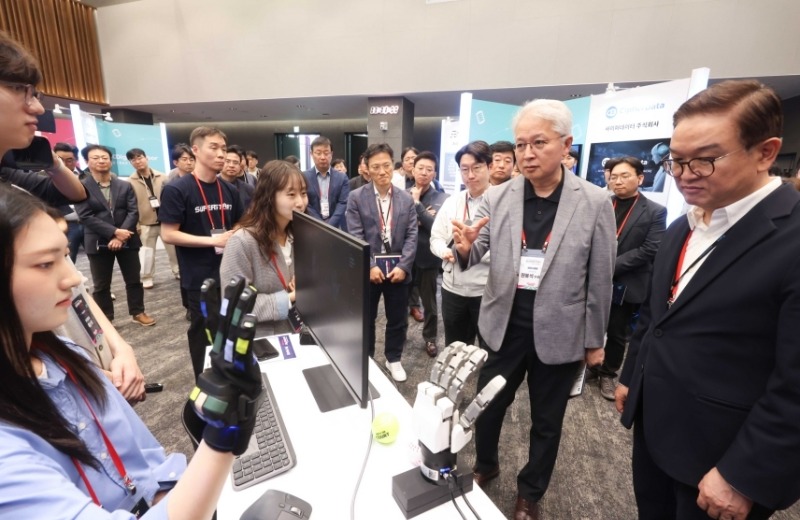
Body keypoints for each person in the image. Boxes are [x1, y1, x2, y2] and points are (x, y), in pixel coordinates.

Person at [0, 182, 263, 518]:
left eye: (65, 256)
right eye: (45, 264)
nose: (73, 278)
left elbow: (145, 465)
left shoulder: (64, 357)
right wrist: (223, 438)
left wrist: (171, 493)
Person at [615, 80, 800, 520]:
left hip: (725, 457)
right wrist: (631, 376)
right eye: (676, 160)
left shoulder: (791, 237)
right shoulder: (683, 226)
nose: (684, 174)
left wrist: (743, 474)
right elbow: (657, 316)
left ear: (766, 153)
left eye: (705, 159)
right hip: (658, 430)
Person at [453, 99, 615, 519]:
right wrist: (466, 248)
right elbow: (478, 247)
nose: (527, 153)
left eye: (538, 143)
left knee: (546, 420)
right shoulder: (499, 196)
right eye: (521, 144)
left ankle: (530, 492)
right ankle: (486, 464)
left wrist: (595, 340)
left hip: (560, 330)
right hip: (503, 325)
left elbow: (601, 278)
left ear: (566, 145)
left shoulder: (594, 201)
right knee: (488, 404)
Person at [0, 30, 145, 404]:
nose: (36, 108)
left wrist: (119, 347)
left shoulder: (11, 179)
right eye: (20, 90)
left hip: (74, 362)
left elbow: (74, 283)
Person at [160, 126, 245, 378]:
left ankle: (231, 378)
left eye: (224, 148)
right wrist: (212, 241)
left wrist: (235, 234)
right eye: (214, 148)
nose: (221, 154)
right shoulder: (177, 189)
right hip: (199, 277)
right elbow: (168, 234)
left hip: (230, 272)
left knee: (231, 329)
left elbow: (239, 221)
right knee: (204, 332)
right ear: (195, 150)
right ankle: (205, 382)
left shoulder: (229, 189)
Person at [591, 156, 666, 401]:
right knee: (590, 324)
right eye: (613, 177)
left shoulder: (655, 211)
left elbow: (650, 249)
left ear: (640, 178)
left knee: (616, 332)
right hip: (592, 281)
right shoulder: (600, 204)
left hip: (626, 282)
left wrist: (606, 267)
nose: (618, 181)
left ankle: (608, 372)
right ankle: (589, 366)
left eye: (625, 176)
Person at [346, 143, 418, 382]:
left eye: (386, 165)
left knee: (397, 318)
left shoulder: (406, 199)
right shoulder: (356, 197)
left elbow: (411, 235)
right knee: (366, 318)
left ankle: (393, 358)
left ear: (392, 165)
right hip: (370, 270)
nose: (382, 171)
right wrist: (369, 266)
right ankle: (366, 358)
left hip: (398, 269)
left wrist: (403, 266)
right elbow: (355, 234)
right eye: (375, 166)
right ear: (367, 168)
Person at [220, 161, 308, 336]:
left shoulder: (301, 233)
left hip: (300, 334)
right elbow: (235, 306)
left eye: (303, 193)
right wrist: (291, 297)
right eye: (291, 194)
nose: (300, 202)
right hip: (263, 339)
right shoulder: (242, 242)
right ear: (269, 196)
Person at [75, 145, 156, 326]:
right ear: (87, 162)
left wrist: (120, 236)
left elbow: (133, 212)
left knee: (134, 279)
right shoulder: (81, 187)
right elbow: (85, 216)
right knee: (101, 284)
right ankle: (107, 319)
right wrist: (114, 232)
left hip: (127, 239)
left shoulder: (124, 185)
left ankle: (138, 312)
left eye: (105, 157)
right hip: (98, 241)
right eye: (96, 158)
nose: (101, 161)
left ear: (111, 161)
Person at [429, 141, 492, 347]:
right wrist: (446, 252)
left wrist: (470, 252)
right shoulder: (452, 202)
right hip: (453, 289)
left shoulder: (502, 203)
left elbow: (508, 250)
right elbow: (435, 238)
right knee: (455, 347)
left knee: (489, 348)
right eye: (464, 169)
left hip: (486, 292)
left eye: (476, 168)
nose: (470, 175)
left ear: (489, 167)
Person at [407, 151, 449, 357]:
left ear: (434, 174)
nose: (424, 172)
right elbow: (398, 224)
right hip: (405, 258)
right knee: (398, 301)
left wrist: (417, 204)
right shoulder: (401, 194)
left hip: (428, 258)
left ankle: (430, 338)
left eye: (429, 169)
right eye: (420, 168)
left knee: (430, 304)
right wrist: (422, 217)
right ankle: (398, 333)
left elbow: (435, 226)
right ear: (413, 170)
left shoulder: (442, 198)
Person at [126, 148, 180, 287]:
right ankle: (147, 277)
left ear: (146, 158)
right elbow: (130, 205)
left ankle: (178, 271)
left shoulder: (163, 177)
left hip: (165, 221)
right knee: (146, 253)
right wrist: (136, 225)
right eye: (133, 159)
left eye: (140, 157)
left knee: (173, 250)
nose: (138, 161)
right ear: (130, 163)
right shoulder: (129, 181)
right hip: (145, 222)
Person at [303, 136, 349, 231]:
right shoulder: (304, 177)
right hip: (312, 226)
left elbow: (343, 203)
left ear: (331, 154)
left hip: (336, 228)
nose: (323, 157)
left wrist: (330, 225)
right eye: (318, 153)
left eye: (326, 153)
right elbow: (306, 203)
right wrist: (320, 224)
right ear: (311, 154)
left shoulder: (342, 178)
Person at [53, 142, 86, 263]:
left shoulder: (85, 176)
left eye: (69, 160)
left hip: (88, 222)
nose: (64, 164)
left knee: (99, 258)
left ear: (76, 160)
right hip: (65, 225)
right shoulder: (43, 177)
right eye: (60, 159)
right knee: (67, 260)